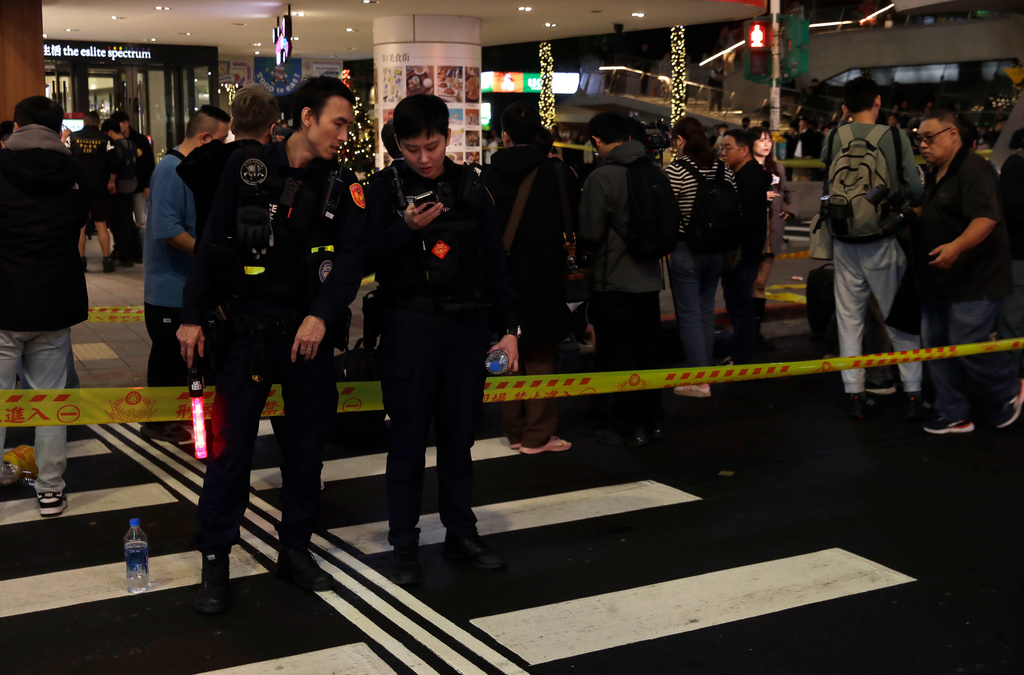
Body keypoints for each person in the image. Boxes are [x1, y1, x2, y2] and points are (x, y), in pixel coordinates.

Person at [177, 76, 368, 614]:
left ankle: (295, 550)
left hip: (308, 339)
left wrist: (321, 315)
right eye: (338, 123)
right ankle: (215, 557)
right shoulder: (249, 167)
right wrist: (191, 316)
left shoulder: (343, 184)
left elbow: (352, 260)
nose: (344, 135)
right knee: (229, 453)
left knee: (306, 453)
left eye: (348, 125)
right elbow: (212, 240)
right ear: (307, 117)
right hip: (248, 333)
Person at [364, 94, 519, 586]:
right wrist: (403, 228)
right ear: (397, 145)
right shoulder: (382, 189)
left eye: (431, 146)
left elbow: (496, 262)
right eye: (412, 149)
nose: (424, 158)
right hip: (409, 326)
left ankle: (461, 533)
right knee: (407, 443)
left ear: (447, 138)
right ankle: (403, 543)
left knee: (459, 440)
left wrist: (511, 331)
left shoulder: (472, 186)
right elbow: (362, 256)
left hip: (466, 328)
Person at [0, 96, 89, 515]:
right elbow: (78, 223)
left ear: (16, 126)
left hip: (3, 302)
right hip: (55, 301)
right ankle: (51, 489)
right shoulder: (75, 172)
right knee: (50, 402)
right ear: (59, 129)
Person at [912, 111, 1023, 433]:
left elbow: (986, 218)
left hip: (977, 279)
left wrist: (956, 247)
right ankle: (953, 412)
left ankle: (1008, 389)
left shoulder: (975, 169)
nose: (923, 144)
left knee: (967, 340)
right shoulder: (936, 171)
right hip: (939, 279)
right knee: (935, 344)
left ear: (952, 134)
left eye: (929, 138)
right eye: (919, 139)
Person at [822, 76, 924, 419]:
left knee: (849, 321)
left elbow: (826, 168)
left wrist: (843, 121)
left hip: (843, 241)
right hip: (882, 239)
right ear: (878, 100)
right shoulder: (894, 137)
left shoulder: (835, 136)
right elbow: (913, 189)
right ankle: (913, 393)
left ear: (846, 105)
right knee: (899, 319)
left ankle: (855, 394)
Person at [485, 101, 575, 454]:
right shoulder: (558, 173)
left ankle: (514, 431)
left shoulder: (486, 176)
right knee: (541, 356)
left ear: (504, 135)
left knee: (507, 352)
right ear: (539, 133)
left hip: (501, 277)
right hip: (545, 277)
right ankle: (537, 435)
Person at [139, 105, 230, 444]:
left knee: (188, 362)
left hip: (187, 288)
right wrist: (210, 255)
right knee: (168, 361)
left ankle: (180, 420)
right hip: (168, 292)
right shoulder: (170, 170)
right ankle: (159, 423)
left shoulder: (193, 170)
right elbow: (168, 230)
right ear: (206, 138)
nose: (226, 146)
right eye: (223, 139)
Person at [580, 112, 664, 446]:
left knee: (619, 355)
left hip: (613, 280)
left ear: (597, 140)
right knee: (649, 353)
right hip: (650, 279)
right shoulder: (654, 171)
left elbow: (591, 231)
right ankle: (654, 419)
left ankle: (627, 425)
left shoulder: (602, 177)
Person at [665, 116, 736, 398]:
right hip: (717, 249)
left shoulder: (676, 170)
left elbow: (666, 209)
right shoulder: (723, 169)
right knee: (706, 311)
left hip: (686, 249)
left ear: (680, 140)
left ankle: (699, 379)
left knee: (689, 315)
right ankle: (705, 374)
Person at [177, 86, 281, 245]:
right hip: (262, 256)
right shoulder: (276, 166)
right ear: (272, 130)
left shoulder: (205, 161)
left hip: (211, 255)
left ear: (232, 126)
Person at [719, 129, 769, 365]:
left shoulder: (749, 179)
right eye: (723, 148)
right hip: (742, 253)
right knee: (738, 305)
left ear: (744, 150)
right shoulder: (743, 175)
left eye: (728, 148)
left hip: (742, 255)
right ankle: (740, 352)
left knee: (740, 306)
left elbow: (746, 221)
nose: (723, 153)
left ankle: (741, 357)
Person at [751, 128, 795, 351]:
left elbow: (789, 191)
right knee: (750, 282)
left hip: (772, 231)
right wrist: (760, 196)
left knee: (760, 283)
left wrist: (790, 209)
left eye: (768, 140)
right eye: (761, 140)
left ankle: (756, 331)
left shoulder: (777, 167)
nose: (766, 144)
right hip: (752, 233)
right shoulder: (745, 168)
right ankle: (749, 331)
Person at [68, 111, 114, 272]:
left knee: (80, 226)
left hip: (78, 188)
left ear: (84, 123)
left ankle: (81, 261)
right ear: (99, 124)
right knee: (101, 224)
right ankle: (107, 261)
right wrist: (111, 181)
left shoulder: (73, 138)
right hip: (99, 187)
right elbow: (113, 163)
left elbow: (65, 159)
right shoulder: (106, 139)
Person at [996, 128, 1024, 377]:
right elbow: (1012, 211)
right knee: (1013, 321)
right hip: (1017, 257)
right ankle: (1008, 381)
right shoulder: (1016, 166)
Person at [108, 110, 156, 238]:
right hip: (122, 189)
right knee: (124, 220)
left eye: (118, 124)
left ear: (126, 123)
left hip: (139, 187)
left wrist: (148, 185)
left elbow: (150, 164)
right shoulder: (114, 143)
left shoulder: (140, 140)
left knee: (141, 220)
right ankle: (129, 246)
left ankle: (142, 247)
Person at [101, 117, 141, 267]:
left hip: (118, 187)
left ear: (110, 132)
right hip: (131, 185)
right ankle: (137, 253)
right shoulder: (132, 144)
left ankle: (125, 256)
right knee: (129, 220)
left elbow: (113, 166)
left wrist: (110, 182)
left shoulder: (115, 146)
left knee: (119, 222)